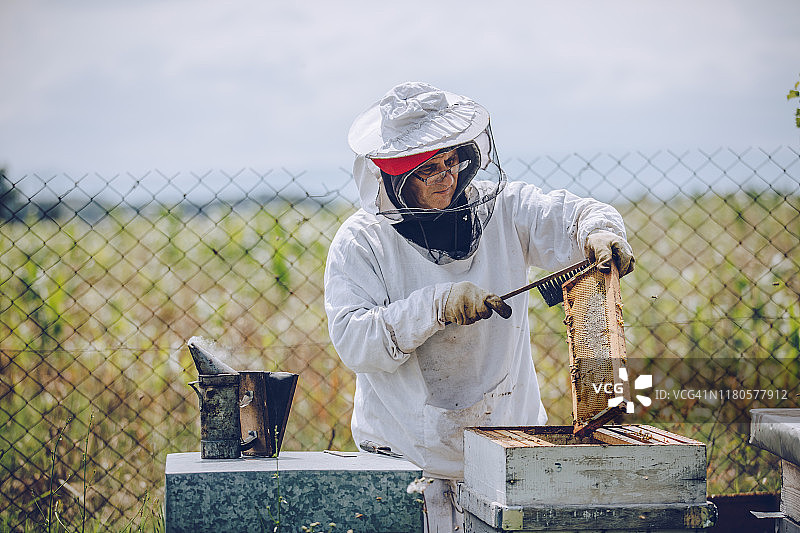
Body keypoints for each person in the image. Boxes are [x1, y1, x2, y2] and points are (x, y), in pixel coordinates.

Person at [324, 82, 635, 531]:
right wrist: (437, 306)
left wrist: (599, 231)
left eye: (451, 162)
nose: (445, 178)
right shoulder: (361, 241)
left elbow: (573, 215)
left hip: (511, 447)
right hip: (407, 459)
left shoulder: (506, 209)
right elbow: (356, 344)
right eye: (428, 170)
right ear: (394, 176)